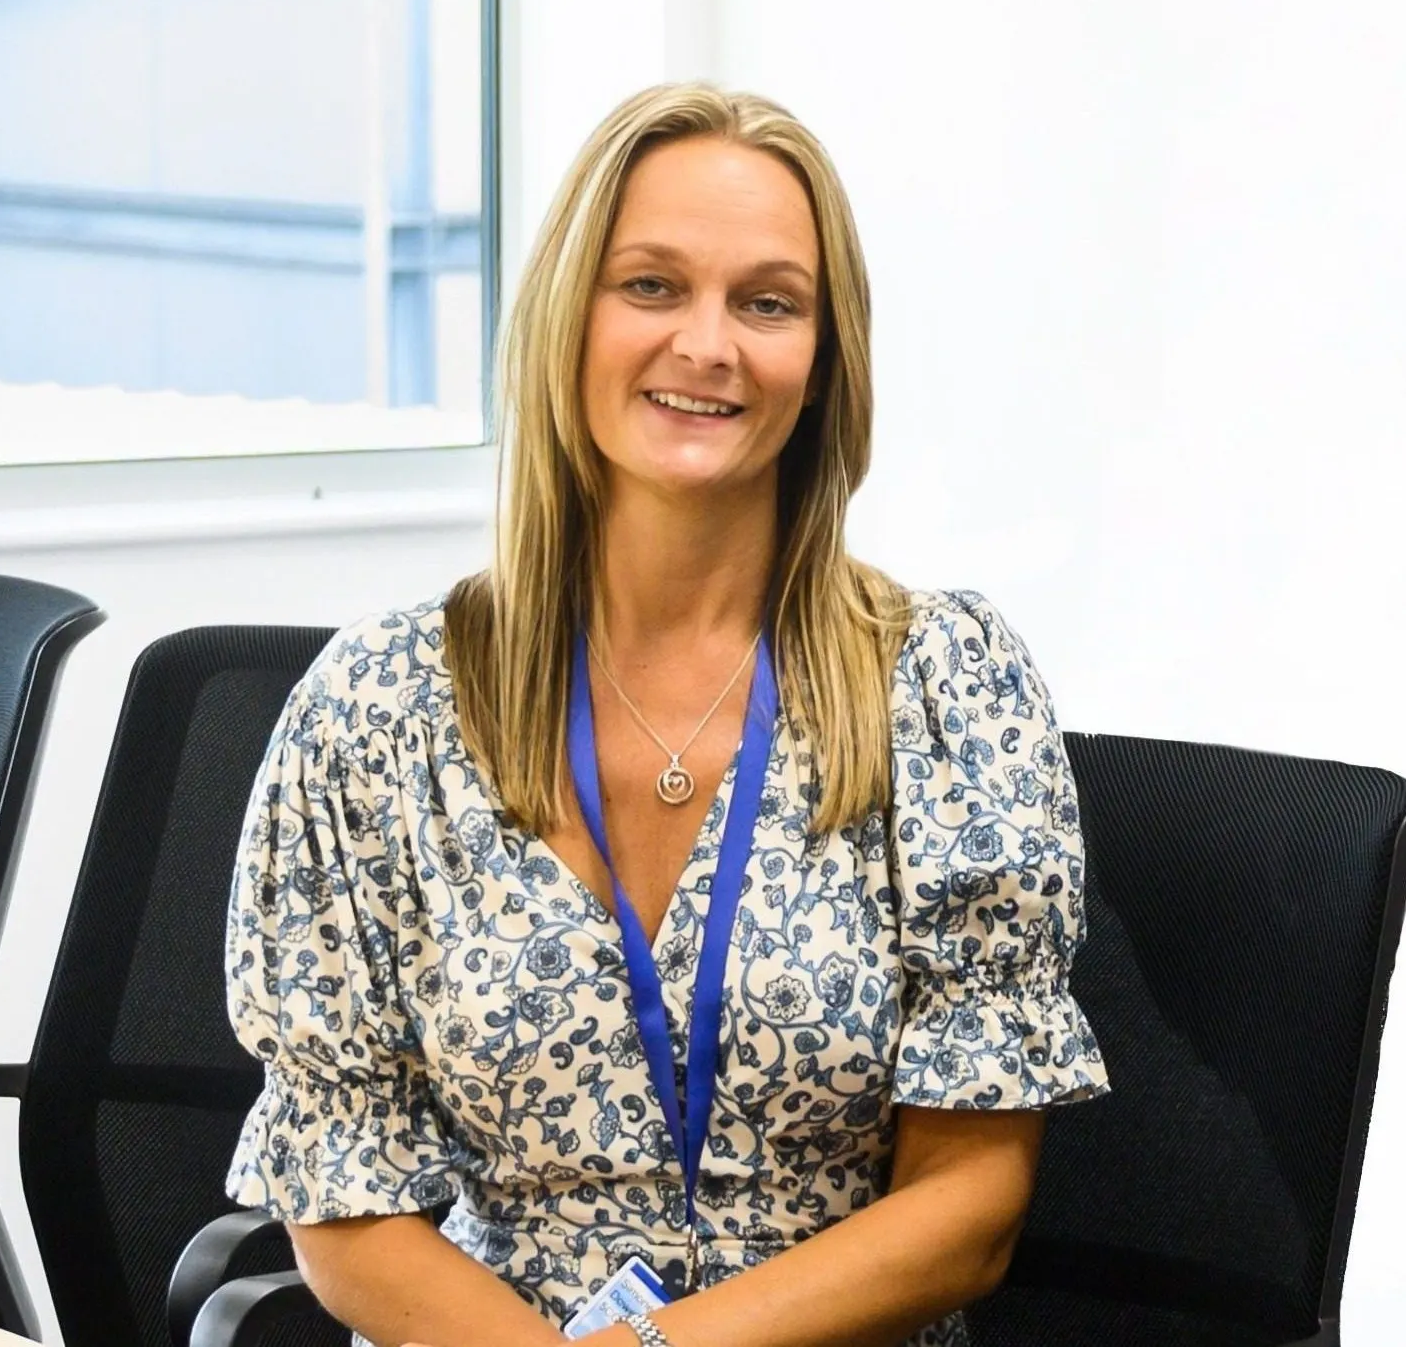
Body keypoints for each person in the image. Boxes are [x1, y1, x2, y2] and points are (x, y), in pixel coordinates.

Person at [225, 84, 1105, 1347]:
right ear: (564, 319)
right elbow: (343, 1194)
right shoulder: (378, 712)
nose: (708, 345)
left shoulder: (942, 687)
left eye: (767, 303)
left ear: (823, 356)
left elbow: (969, 1199)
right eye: (649, 285)